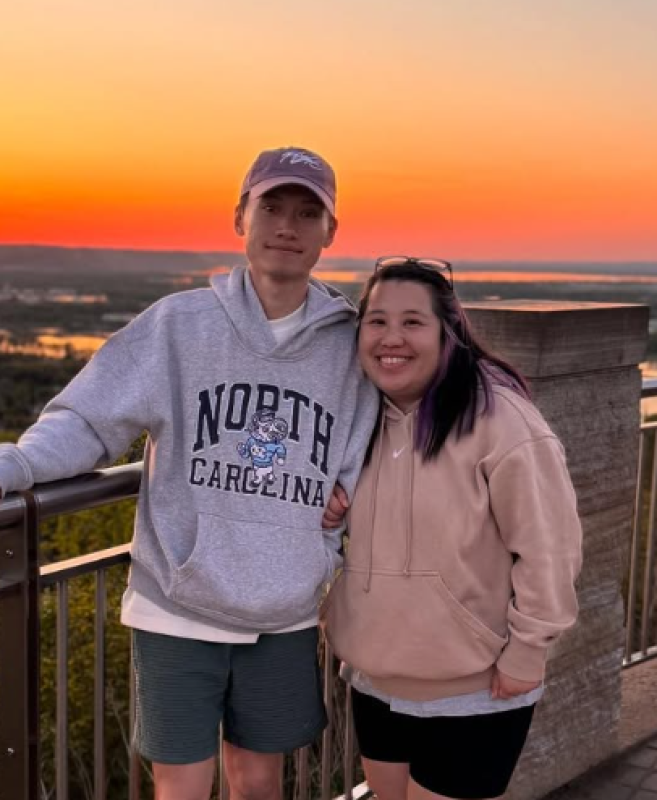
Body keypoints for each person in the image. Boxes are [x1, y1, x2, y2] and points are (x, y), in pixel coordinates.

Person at [0, 147, 378, 800]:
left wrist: (333, 523)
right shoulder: (178, 326)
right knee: (181, 789)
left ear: (329, 232)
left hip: (284, 610)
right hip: (176, 607)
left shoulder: (350, 346)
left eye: (306, 212)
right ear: (240, 218)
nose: (287, 226)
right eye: (272, 207)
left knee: (258, 782)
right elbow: (89, 421)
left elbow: (368, 451)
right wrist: (20, 463)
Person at [321, 256, 582, 800]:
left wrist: (529, 649)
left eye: (413, 322)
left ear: (449, 332)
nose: (392, 338)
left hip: (474, 687)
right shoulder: (358, 419)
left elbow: (549, 548)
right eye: (377, 321)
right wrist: (327, 510)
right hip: (375, 675)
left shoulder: (501, 420)